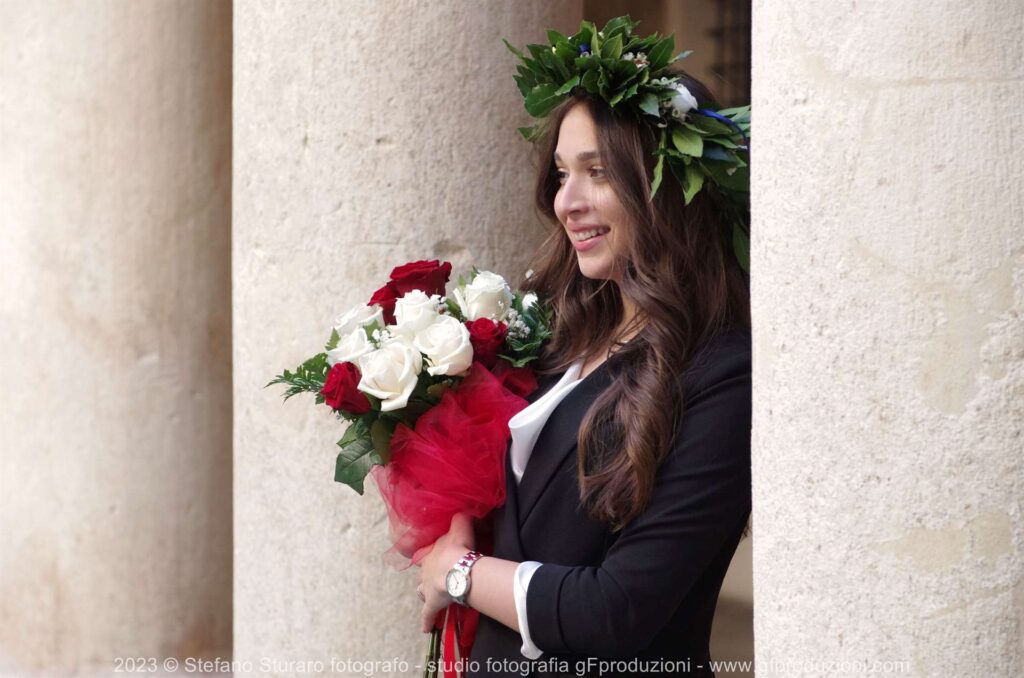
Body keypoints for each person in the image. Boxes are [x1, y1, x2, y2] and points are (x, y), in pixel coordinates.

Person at [415, 18, 752, 678]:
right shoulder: (556, 339)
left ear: (664, 185)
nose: (567, 201)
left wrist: (458, 575)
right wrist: (456, 524)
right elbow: (498, 489)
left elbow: (618, 610)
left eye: (597, 172)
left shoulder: (722, 372)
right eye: (563, 173)